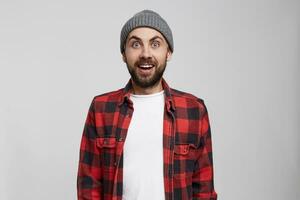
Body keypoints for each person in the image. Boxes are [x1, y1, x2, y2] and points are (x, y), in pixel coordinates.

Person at [77, 9, 217, 200]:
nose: (145, 53)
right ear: (124, 54)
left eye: (155, 44)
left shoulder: (194, 110)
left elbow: (204, 192)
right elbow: (88, 189)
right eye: (135, 44)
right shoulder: (101, 108)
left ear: (168, 52)